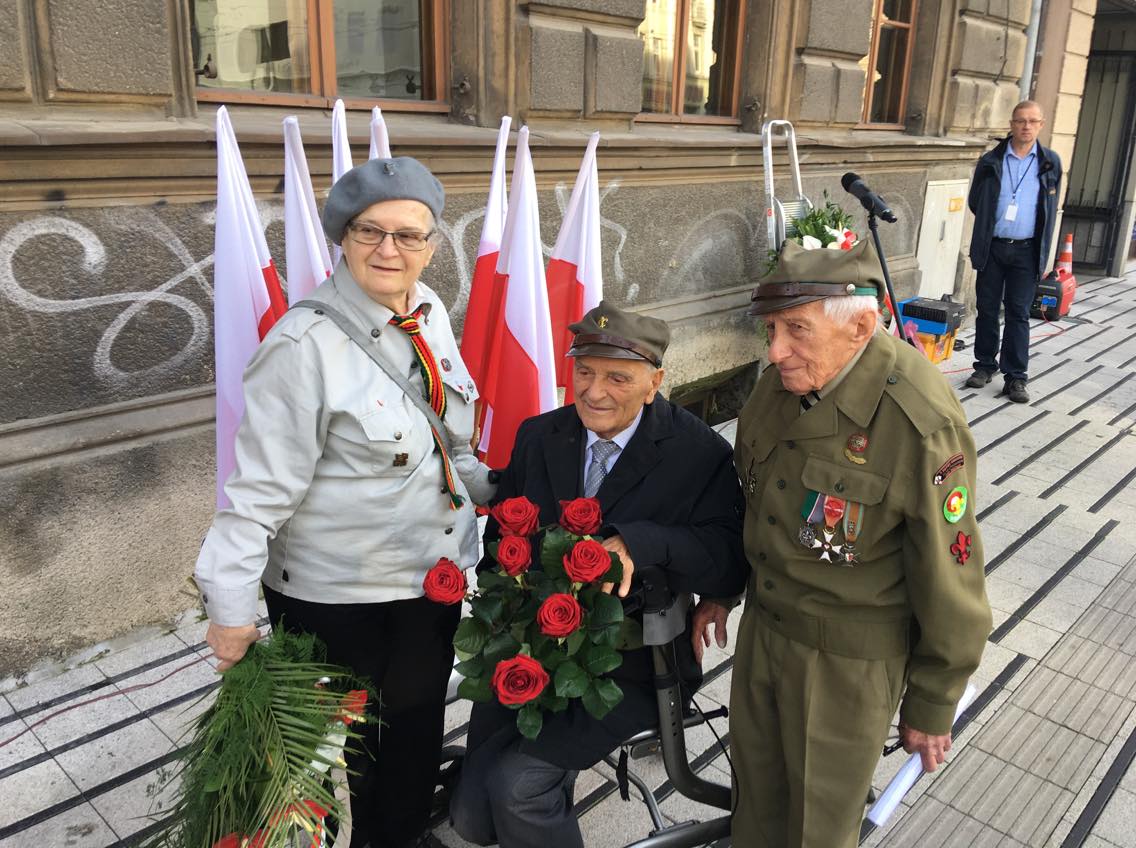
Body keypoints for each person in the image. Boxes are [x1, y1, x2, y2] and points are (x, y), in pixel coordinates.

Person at [195, 156, 494, 848]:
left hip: (428, 580)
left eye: (409, 235)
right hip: (339, 602)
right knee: (337, 762)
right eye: (371, 231)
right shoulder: (302, 347)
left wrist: (510, 499)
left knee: (413, 739)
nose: (390, 250)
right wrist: (231, 609)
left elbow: (449, 441)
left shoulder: (429, 315)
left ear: (430, 244)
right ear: (343, 237)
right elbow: (257, 493)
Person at [693, 239, 992, 847]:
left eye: (796, 329)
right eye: (772, 328)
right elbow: (752, 502)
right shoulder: (782, 381)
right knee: (756, 805)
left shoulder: (919, 421)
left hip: (845, 664)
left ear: (859, 326)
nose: (776, 350)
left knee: (817, 830)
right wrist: (723, 588)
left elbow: (952, 579)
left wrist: (933, 703)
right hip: (765, 635)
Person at [449, 301, 749, 848]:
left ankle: (540, 797)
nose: (594, 391)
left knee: (518, 788)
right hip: (530, 648)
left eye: (617, 377)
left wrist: (640, 540)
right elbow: (503, 540)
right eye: (583, 372)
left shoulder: (698, 452)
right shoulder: (540, 435)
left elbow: (728, 555)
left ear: (655, 382)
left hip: (634, 661)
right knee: (472, 819)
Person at [965, 99, 1063, 403]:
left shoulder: (1050, 162)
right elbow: (975, 202)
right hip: (993, 246)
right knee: (987, 309)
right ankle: (984, 366)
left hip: (1026, 250)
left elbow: (1049, 206)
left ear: (1041, 125)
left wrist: (1043, 252)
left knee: (1019, 314)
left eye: (1033, 121)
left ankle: (1016, 377)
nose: (1026, 126)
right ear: (1011, 123)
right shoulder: (990, 161)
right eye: (1021, 120)